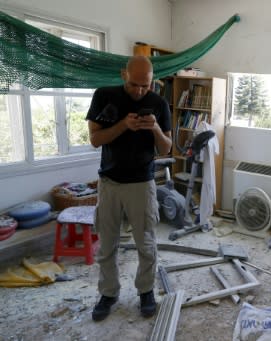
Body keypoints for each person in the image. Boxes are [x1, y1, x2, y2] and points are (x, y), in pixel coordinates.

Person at [86, 55, 172, 321]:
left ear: (152, 81)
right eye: (135, 84)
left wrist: (156, 128)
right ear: (124, 74)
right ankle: (108, 293)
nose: (140, 91)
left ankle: (146, 291)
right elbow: (95, 139)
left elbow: (167, 148)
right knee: (107, 244)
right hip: (110, 182)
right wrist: (123, 125)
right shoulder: (103, 95)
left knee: (146, 243)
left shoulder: (158, 103)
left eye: (146, 85)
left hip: (142, 182)